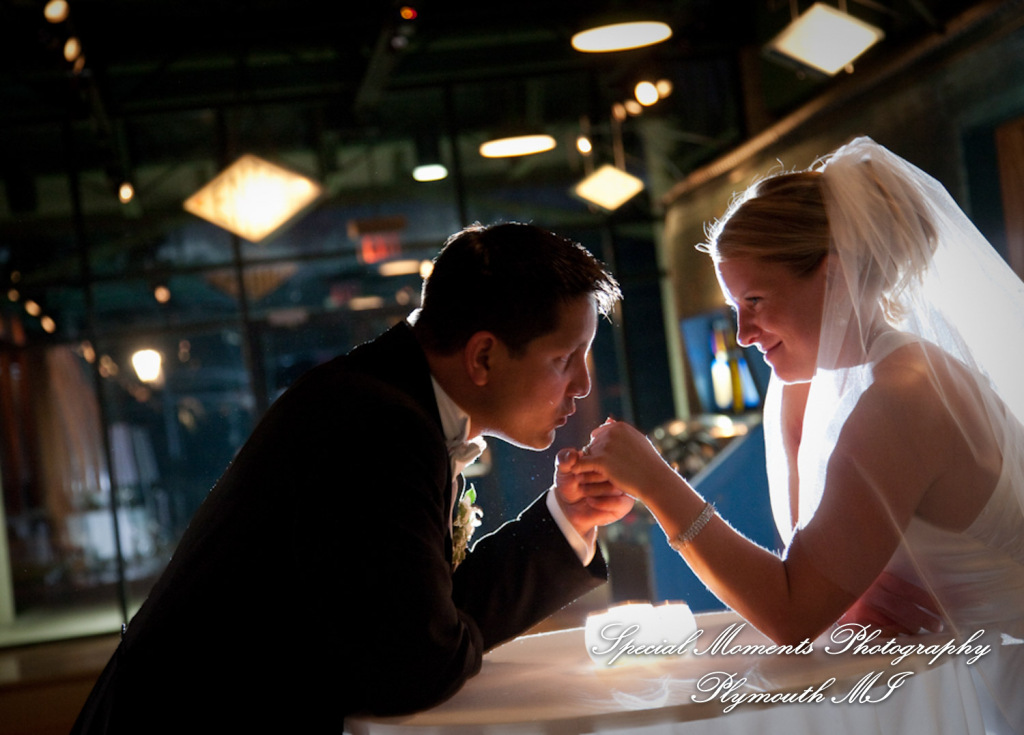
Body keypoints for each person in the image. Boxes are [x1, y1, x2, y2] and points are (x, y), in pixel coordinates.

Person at [71, 222, 633, 734]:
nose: (582, 385)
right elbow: (415, 667)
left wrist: (567, 517)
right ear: (482, 357)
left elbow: (422, 621)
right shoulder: (378, 428)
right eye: (566, 358)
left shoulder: (384, 400)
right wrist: (445, 638)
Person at [569, 137, 1024, 733]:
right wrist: (844, 592)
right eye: (735, 305)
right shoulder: (807, 385)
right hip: (939, 674)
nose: (742, 333)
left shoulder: (905, 395)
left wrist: (657, 482)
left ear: (835, 276)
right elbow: (803, 568)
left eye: (755, 300)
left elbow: (789, 614)